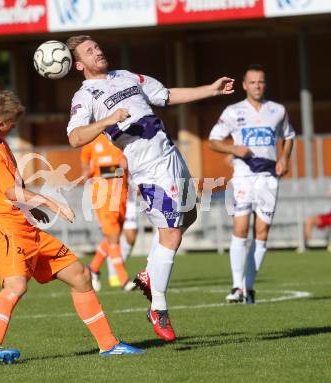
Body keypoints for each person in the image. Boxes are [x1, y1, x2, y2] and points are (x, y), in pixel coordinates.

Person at [65, 35, 234, 342]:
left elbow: (166, 95)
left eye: (98, 47)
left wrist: (211, 89)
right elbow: (75, 137)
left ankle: (147, 274)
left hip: (171, 155)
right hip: (148, 169)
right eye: (90, 51)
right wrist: (107, 120)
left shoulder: (128, 76)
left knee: (189, 217)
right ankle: (158, 307)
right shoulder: (84, 96)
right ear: (79, 64)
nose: (98, 52)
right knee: (172, 232)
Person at [0, 90, 143, 366]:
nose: (15, 128)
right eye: (12, 123)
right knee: (16, 285)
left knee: (80, 275)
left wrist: (32, 208)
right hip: (4, 227)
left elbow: (10, 190)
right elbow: (11, 193)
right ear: (0, 123)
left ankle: (109, 345)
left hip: (22, 225)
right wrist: (51, 203)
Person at [209, 64, 295, 304]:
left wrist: (284, 158)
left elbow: (289, 137)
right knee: (240, 228)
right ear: (245, 85)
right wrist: (233, 148)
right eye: (253, 82)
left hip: (268, 178)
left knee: (262, 232)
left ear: (264, 84)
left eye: (261, 82)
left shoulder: (278, 110)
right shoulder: (233, 111)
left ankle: (249, 288)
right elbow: (213, 141)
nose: (257, 86)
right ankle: (237, 287)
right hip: (244, 176)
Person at [80, 134, 133, 291]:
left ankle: (93, 268)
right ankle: (123, 278)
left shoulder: (121, 137)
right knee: (114, 234)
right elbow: (84, 167)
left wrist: (127, 164)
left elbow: (131, 160)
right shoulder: (90, 141)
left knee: (113, 236)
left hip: (121, 194)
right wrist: (86, 174)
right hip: (101, 195)